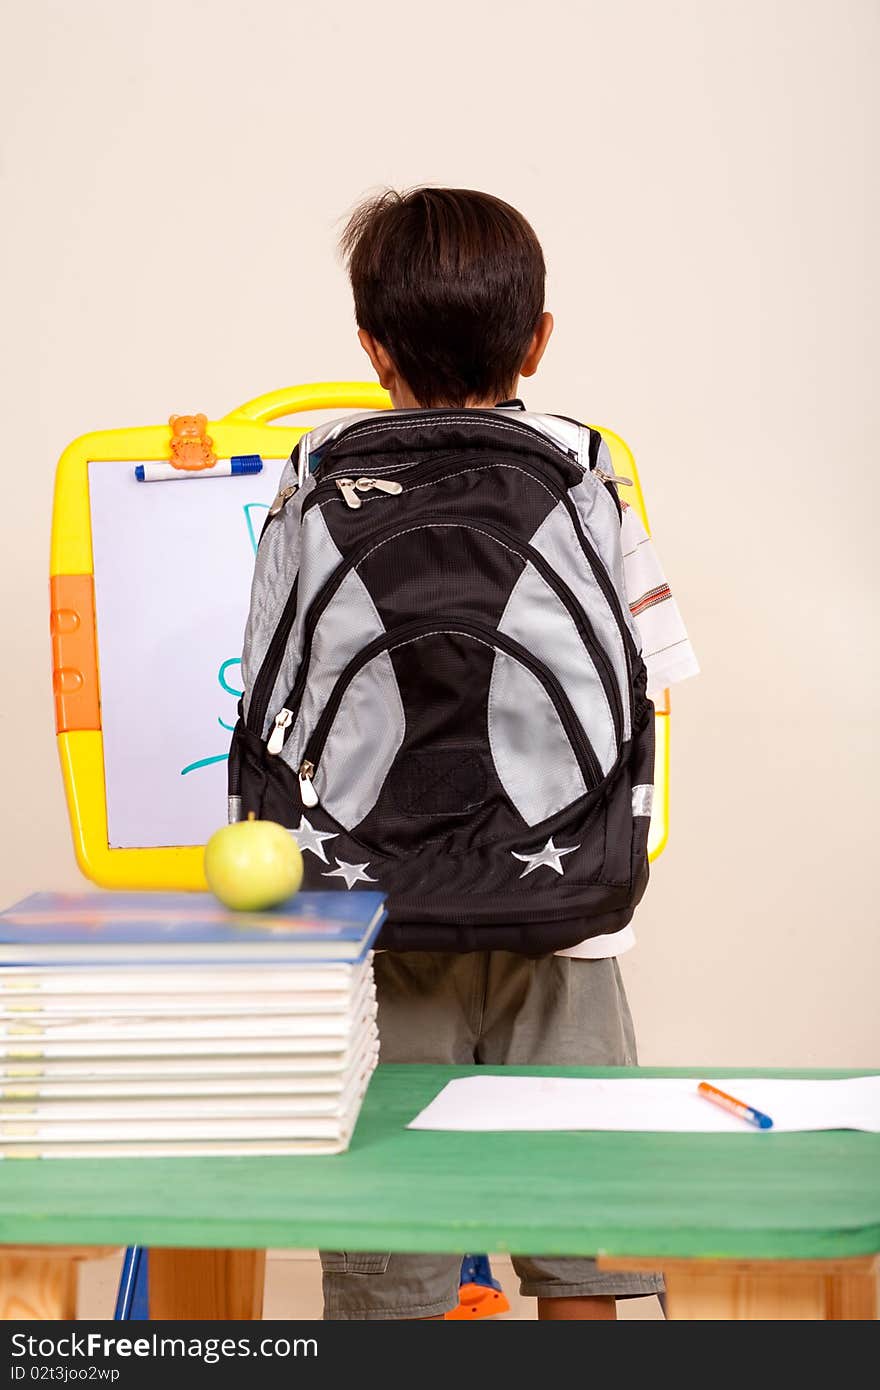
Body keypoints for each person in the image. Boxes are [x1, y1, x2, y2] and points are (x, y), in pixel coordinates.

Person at [309, 187, 698, 1319]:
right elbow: (654, 685)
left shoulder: (314, 472)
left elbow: (280, 704)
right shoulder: (584, 469)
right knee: (579, 1210)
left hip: (383, 914)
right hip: (567, 911)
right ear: (537, 341)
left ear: (370, 347)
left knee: (390, 1231)